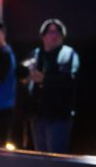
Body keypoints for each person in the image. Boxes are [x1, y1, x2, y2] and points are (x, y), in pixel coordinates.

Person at [26, 19, 80, 154]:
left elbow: (69, 81)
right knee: (40, 157)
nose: (54, 35)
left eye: (58, 32)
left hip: (58, 115)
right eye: (50, 32)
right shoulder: (36, 54)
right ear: (43, 35)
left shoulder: (68, 54)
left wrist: (44, 79)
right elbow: (25, 76)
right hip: (38, 114)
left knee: (55, 158)